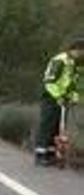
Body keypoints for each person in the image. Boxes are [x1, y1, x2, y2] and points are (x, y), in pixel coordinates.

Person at [34, 36, 84, 165]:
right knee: (47, 125)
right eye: (81, 52)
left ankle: (51, 154)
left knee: (58, 127)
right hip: (50, 96)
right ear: (74, 50)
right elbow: (49, 82)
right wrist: (58, 96)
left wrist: (74, 97)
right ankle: (40, 155)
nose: (81, 55)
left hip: (64, 98)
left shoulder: (77, 64)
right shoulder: (60, 60)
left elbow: (75, 84)